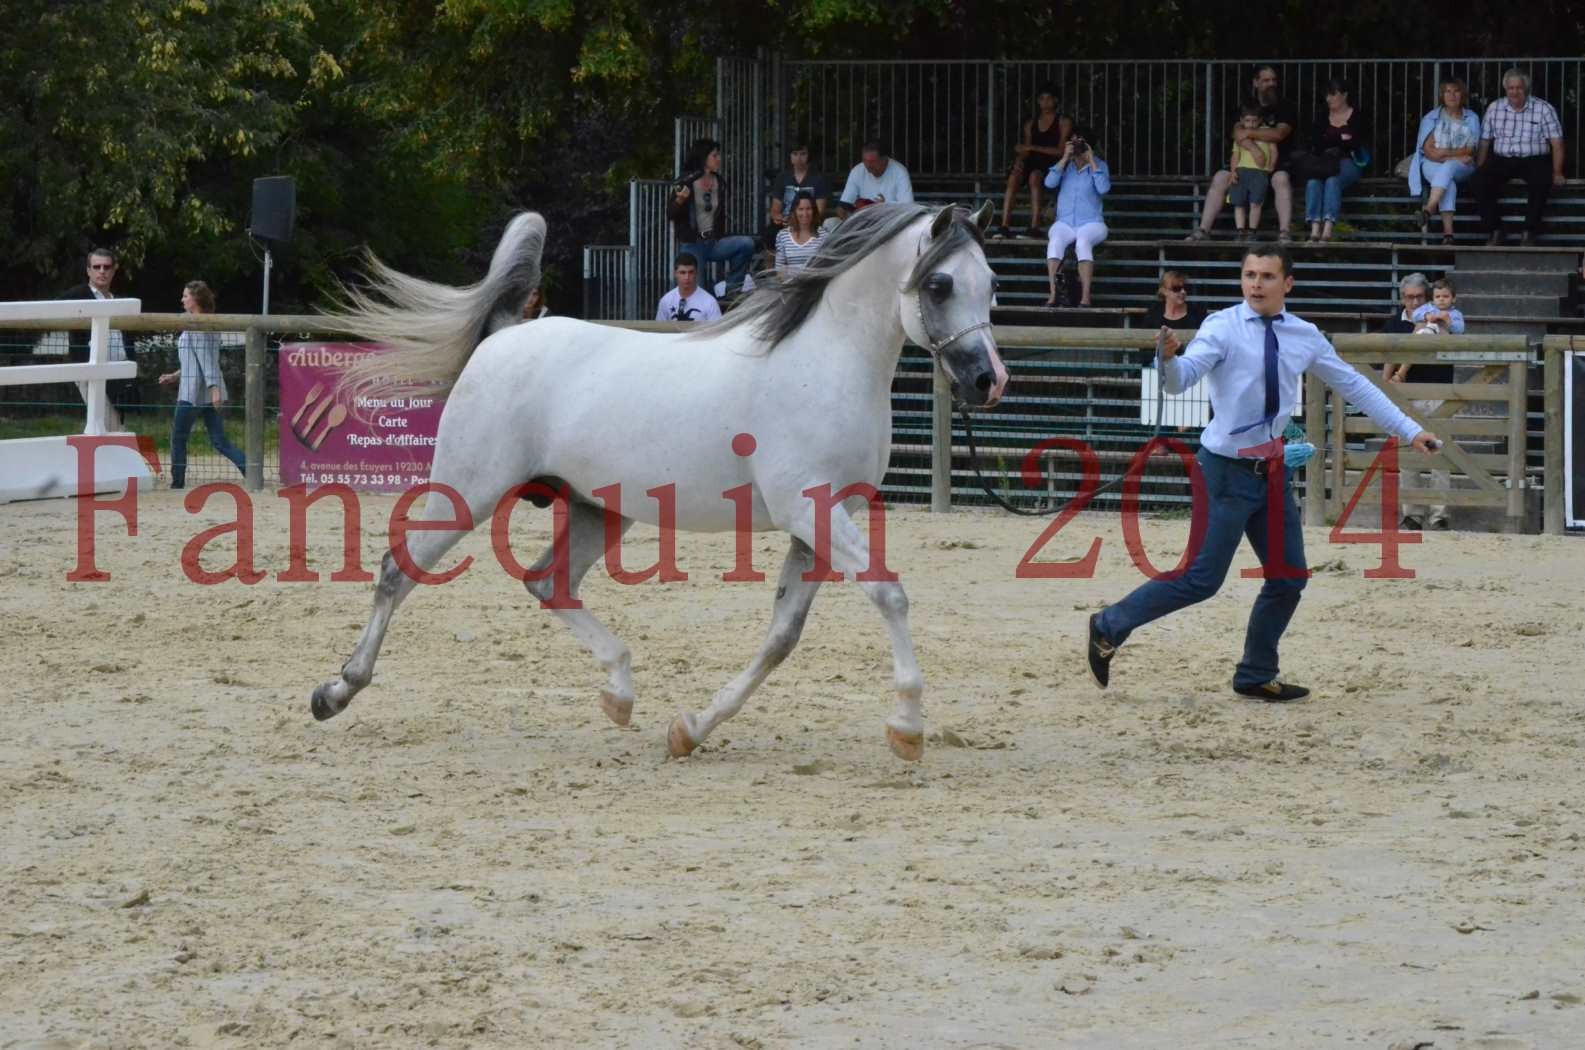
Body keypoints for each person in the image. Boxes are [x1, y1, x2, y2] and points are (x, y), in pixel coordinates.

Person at [1085, 243, 1440, 703]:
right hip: (1224, 471)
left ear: (1287, 283)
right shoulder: (1222, 326)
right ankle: (1108, 625)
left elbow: (1354, 385)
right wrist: (1168, 360)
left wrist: (1410, 431)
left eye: (1267, 276)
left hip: (1270, 473)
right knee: (1201, 579)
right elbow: (1180, 382)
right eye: (1250, 275)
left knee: (1289, 576)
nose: (1256, 284)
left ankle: (1255, 673)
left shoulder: (1304, 334)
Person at [1188, 66, 1297, 242]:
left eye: (1274, 80)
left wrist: (1247, 134)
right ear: (1255, 83)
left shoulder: (1286, 107)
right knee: (1220, 177)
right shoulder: (1246, 106)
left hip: (1273, 167)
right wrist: (1254, 149)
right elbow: (1236, 133)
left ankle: (1284, 232)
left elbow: (1278, 134)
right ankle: (1203, 230)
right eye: (1266, 80)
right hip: (1243, 166)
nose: (1271, 84)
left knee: (1282, 179)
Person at [157, 281, 246, 489]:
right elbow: (196, 360)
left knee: (178, 437)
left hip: (193, 393)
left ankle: (177, 482)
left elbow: (206, 359)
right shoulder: (210, 323)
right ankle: (249, 469)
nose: (182, 299)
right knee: (219, 441)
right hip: (206, 391)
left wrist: (214, 388)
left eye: (185, 296)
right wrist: (174, 375)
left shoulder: (195, 324)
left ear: (195, 299)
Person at [1471, 69, 1566, 246]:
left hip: (1534, 158)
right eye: (1511, 88)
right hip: (1502, 158)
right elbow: (1484, 142)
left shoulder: (1543, 109)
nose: (1514, 92)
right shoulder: (1494, 108)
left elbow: (1557, 143)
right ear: (1505, 89)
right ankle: (1495, 230)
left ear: (1526, 89)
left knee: (1542, 180)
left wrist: (1557, 172)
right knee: (1478, 180)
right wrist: (1480, 167)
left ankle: (1529, 232)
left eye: (1519, 88)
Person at [668, 138, 757, 297]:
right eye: (715, 155)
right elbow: (670, 214)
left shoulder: (719, 181)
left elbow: (719, 214)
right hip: (693, 244)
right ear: (703, 158)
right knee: (696, 295)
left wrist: (719, 235)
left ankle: (731, 289)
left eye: (718, 155)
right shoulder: (686, 180)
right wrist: (680, 200)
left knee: (746, 244)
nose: (719, 159)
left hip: (713, 242)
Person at [60, 247, 133, 428]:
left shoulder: (119, 300)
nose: (102, 271)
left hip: (119, 371)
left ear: (114, 270)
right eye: (97, 266)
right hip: (89, 370)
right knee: (111, 425)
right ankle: (116, 452)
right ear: (88, 270)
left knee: (112, 422)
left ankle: (105, 453)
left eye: (106, 267)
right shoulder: (75, 295)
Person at [991, 87, 1072, 239]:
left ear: (1056, 100)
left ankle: (1034, 227)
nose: (1044, 102)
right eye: (1041, 99)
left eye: (1048, 98)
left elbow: (1061, 151)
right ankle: (1004, 226)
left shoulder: (1063, 121)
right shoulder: (1030, 123)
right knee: (1014, 176)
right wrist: (1019, 159)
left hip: (1053, 163)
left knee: (1035, 176)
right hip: (1033, 160)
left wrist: (1032, 147)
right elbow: (1026, 151)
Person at [1409, 79, 1482, 245]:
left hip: (1463, 166)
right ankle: (1448, 235)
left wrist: (1445, 154)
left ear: (1462, 94)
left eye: (1456, 91)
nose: (1452, 95)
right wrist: (1455, 156)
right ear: (1442, 95)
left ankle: (1429, 208)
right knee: (1448, 182)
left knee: (1448, 168)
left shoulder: (1471, 118)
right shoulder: (1431, 118)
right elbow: (1429, 151)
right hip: (1431, 163)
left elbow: (1471, 149)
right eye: (1447, 91)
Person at [1041, 133, 1110, 307]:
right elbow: (1049, 183)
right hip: (1065, 222)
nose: (1078, 147)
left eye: (1081, 143)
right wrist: (1065, 157)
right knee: (1055, 241)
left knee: (1082, 242)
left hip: (1092, 222)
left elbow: (1103, 188)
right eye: (1074, 142)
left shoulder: (1100, 166)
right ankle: (1053, 293)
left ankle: (1085, 297)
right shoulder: (1065, 167)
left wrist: (1091, 160)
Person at [1300, 79, 1369, 243]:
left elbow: (1356, 143)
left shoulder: (1358, 116)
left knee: (1333, 180)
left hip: (1349, 161)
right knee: (1313, 182)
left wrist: (1332, 139)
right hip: (1324, 162)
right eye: (1327, 95)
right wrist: (1342, 138)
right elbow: (1315, 144)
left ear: (1344, 95)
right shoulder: (1322, 117)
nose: (1328, 99)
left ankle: (1328, 228)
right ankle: (1315, 228)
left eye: (1333, 94)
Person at [1228, 103, 1276, 239]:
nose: (1251, 124)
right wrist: (1232, 171)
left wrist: (1271, 165)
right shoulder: (1240, 135)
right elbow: (1235, 155)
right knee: (1238, 203)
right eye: (1248, 121)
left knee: (1256, 202)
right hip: (1241, 171)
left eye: (1255, 120)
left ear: (1260, 120)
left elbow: (1273, 150)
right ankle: (1240, 230)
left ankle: (1252, 231)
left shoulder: (1267, 133)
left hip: (1260, 172)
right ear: (1242, 120)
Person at [1138, 270, 1206, 366]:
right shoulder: (1153, 313)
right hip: (1158, 367)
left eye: (1185, 288)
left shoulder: (1197, 313)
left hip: (1189, 366)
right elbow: (1143, 346)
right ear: (1164, 291)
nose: (1183, 292)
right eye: (1176, 288)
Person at [837, 140, 914, 218]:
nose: (868, 166)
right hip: (862, 222)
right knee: (830, 223)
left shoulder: (899, 171)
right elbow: (843, 207)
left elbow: (907, 209)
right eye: (865, 161)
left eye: (872, 161)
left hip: (889, 221)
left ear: (884, 159)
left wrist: (886, 206)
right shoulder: (857, 171)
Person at [766, 145, 830, 235]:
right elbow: (775, 209)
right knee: (769, 234)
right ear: (790, 156)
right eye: (795, 154)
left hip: (809, 222)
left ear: (809, 156)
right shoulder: (782, 177)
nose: (798, 158)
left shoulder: (818, 179)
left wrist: (798, 222)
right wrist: (779, 218)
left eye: (803, 154)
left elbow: (820, 212)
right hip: (785, 223)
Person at [654, 252, 722, 323]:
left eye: (691, 272)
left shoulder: (710, 302)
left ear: (696, 273)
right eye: (682, 273)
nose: (687, 277)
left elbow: (718, 331)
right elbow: (659, 330)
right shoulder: (665, 301)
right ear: (675, 274)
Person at [773, 195, 824, 276]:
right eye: (800, 209)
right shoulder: (783, 235)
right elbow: (780, 269)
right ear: (794, 211)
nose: (805, 213)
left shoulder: (824, 235)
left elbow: (825, 268)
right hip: (791, 285)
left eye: (808, 209)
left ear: (814, 211)